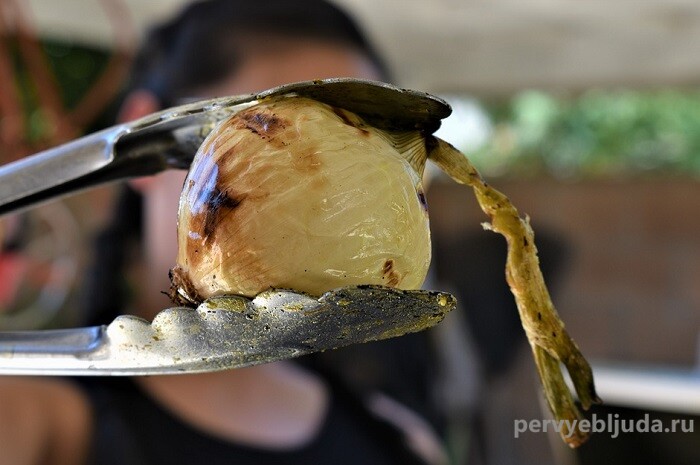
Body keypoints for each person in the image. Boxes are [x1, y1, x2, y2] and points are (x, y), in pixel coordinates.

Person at [0, 1, 447, 464]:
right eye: (283, 150)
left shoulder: (403, 443)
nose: (336, 205)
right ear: (148, 132)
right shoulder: (36, 424)